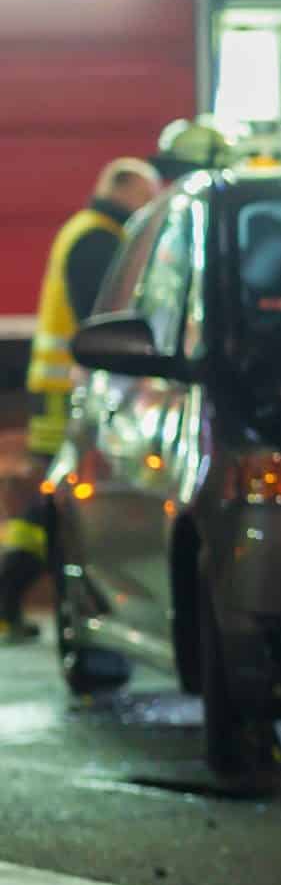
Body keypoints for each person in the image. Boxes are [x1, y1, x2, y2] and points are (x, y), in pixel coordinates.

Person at [1, 157, 165, 640]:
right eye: (147, 192)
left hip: (65, 387)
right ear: (125, 188)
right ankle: (8, 591)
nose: (151, 203)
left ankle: (11, 594)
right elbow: (103, 312)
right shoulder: (97, 237)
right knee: (57, 496)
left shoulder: (87, 230)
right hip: (70, 391)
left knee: (55, 495)